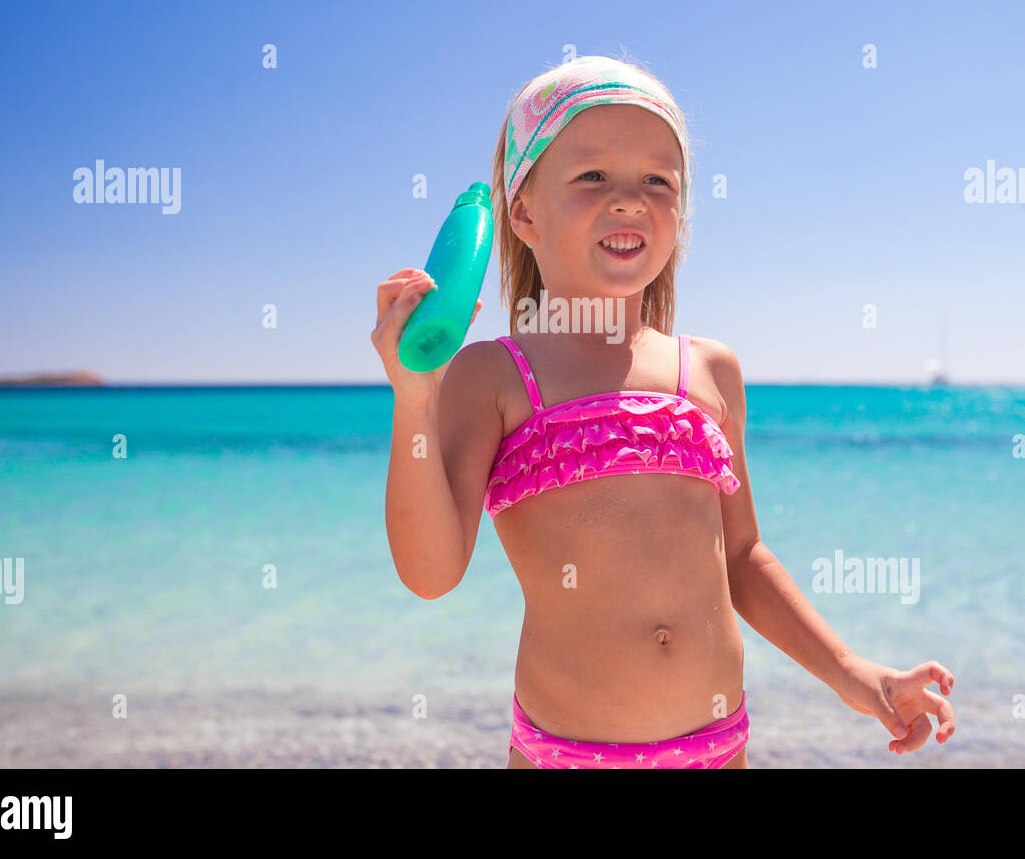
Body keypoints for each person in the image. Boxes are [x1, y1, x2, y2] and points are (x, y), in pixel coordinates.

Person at [372, 55, 955, 768]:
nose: (629, 200)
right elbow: (430, 573)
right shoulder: (496, 375)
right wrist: (414, 397)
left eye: (658, 181)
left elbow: (742, 558)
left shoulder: (709, 371)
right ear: (523, 211)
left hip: (718, 748)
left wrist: (853, 672)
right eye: (592, 177)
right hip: (566, 755)